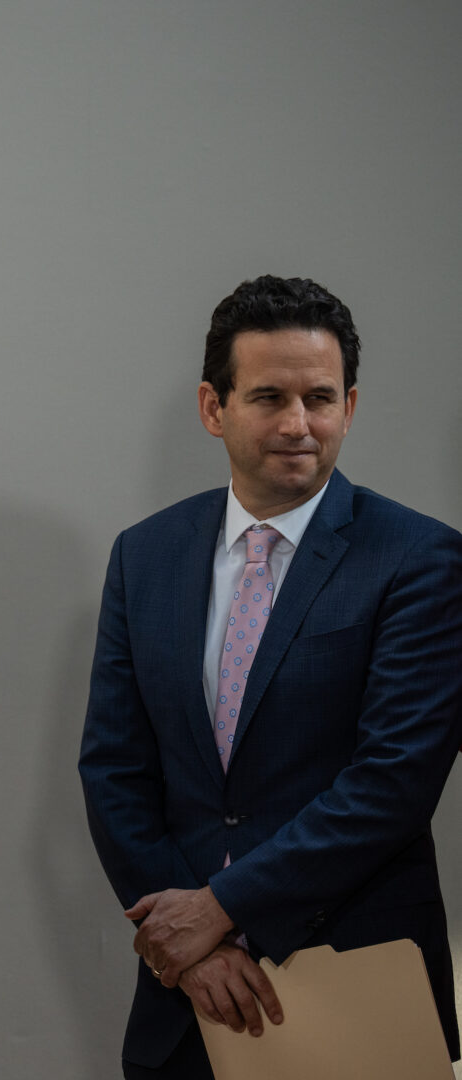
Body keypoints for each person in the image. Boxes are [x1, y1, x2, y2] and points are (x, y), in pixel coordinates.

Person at [78, 275, 462, 1077]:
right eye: (268, 397)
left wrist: (222, 909)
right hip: (184, 999)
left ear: (349, 407)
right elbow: (114, 767)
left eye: (321, 398)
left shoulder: (421, 559)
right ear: (214, 408)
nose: (299, 424)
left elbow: (393, 781)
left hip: (350, 980)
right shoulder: (143, 555)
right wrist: (189, 949)